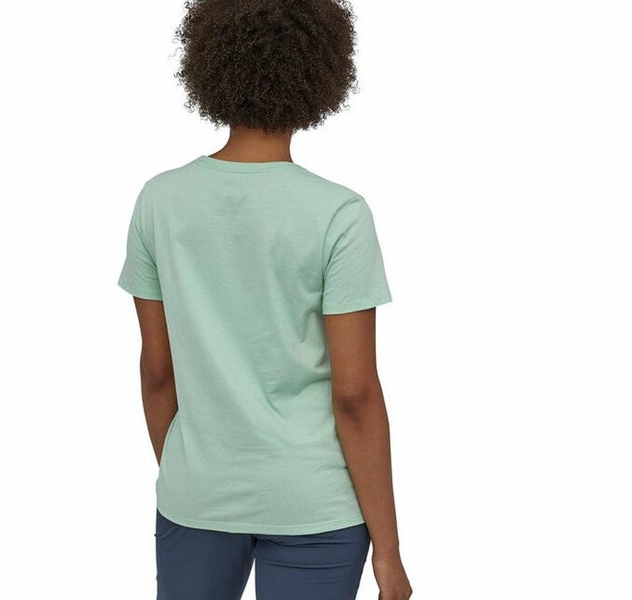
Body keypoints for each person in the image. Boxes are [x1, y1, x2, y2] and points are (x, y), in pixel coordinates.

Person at [117, 1, 412, 598]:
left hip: (198, 495)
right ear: (319, 72)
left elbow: (157, 370)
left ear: (211, 64)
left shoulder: (160, 201)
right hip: (315, 501)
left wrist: (193, 476)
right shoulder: (338, 214)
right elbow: (354, 394)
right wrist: (388, 551)